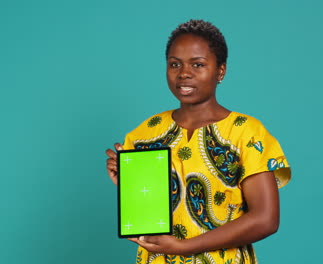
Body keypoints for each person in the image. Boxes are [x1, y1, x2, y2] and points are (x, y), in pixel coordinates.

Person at [106, 19, 291, 264]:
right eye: (175, 64)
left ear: (220, 71)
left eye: (198, 64)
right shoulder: (144, 134)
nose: (184, 73)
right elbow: (149, 222)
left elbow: (266, 219)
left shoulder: (246, 133)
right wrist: (129, 185)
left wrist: (184, 247)